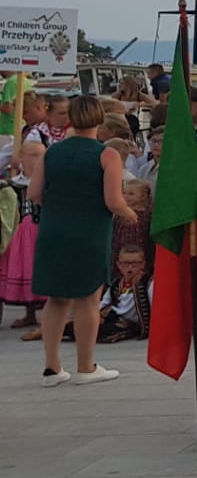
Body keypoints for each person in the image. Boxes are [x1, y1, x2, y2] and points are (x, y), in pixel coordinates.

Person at [29, 96, 140, 387]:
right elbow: (113, 200)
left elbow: (33, 193)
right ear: (100, 118)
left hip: (53, 230)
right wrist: (131, 214)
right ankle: (85, 366)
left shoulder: (51, 152)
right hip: (89, 230)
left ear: (71, 119)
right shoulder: (106, 154)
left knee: (56, 298)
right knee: (88, 298)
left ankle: (52, 367)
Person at [2, 140, 46, 331]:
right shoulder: (11, 184)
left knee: (39, 270)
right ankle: (29, 314)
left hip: (41, 232)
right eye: (33, 155)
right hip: (18, 234)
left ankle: (44, 317)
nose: (38, 159)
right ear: (20, 157)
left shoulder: (49, 183)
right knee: (21, 268)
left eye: (41, 154)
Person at [98, 245, 150, 344]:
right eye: (126, 264)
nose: (130, 268)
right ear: (119, 265)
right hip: (113, 317)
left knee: (104, 332)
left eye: (134, 264)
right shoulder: (116, 284)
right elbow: (103, 303)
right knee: (83, 325)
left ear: (143, 264)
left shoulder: (147, 283)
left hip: (130, 324)